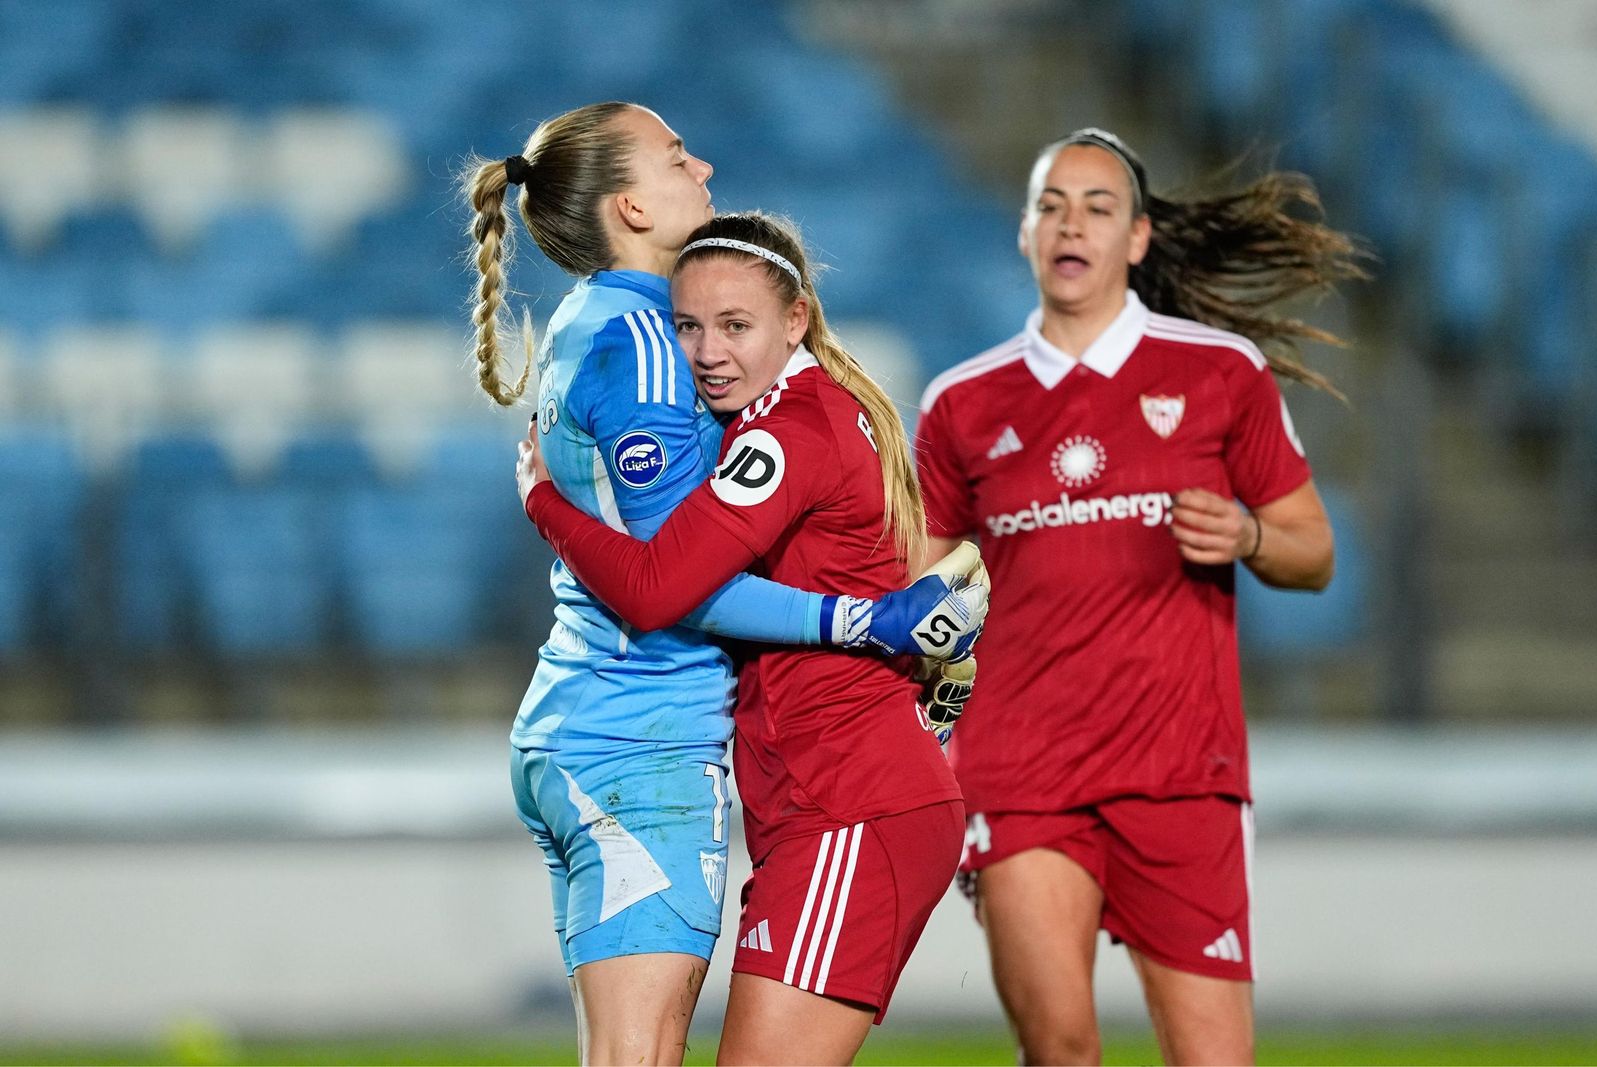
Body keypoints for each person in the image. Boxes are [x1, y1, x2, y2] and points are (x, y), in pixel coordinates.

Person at [462, 104, 984, 1065]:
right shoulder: (650, 346)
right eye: (674, 158)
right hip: (645, 743)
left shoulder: (590, 322)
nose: (701, 164)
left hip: (627, 735)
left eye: (733, 325)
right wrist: (870, 622)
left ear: (792, 321)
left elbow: (670, 569)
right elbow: (667, 584)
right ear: (630, 207)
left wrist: (545, 505)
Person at [912, 128, 1368, 1066]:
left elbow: (1314, 552)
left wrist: (1246, 534)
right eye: (1050, 206)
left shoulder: (1220, 371)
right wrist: (934, 761)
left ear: (1138, 237)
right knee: (1060, 1049)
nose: (1070, 224)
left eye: (1097, 206)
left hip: (1182, 771)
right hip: (1022, 772)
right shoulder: (961, 402)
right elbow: (926, 603)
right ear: (1025, 232)